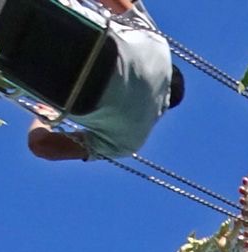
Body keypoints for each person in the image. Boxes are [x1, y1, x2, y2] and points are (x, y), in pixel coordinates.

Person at [11, 0, 185, 163]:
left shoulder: (159, 46)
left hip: (46, 11)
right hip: (15, 57)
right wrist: (46, 117)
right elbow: (43, 146)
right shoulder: (129, 142)